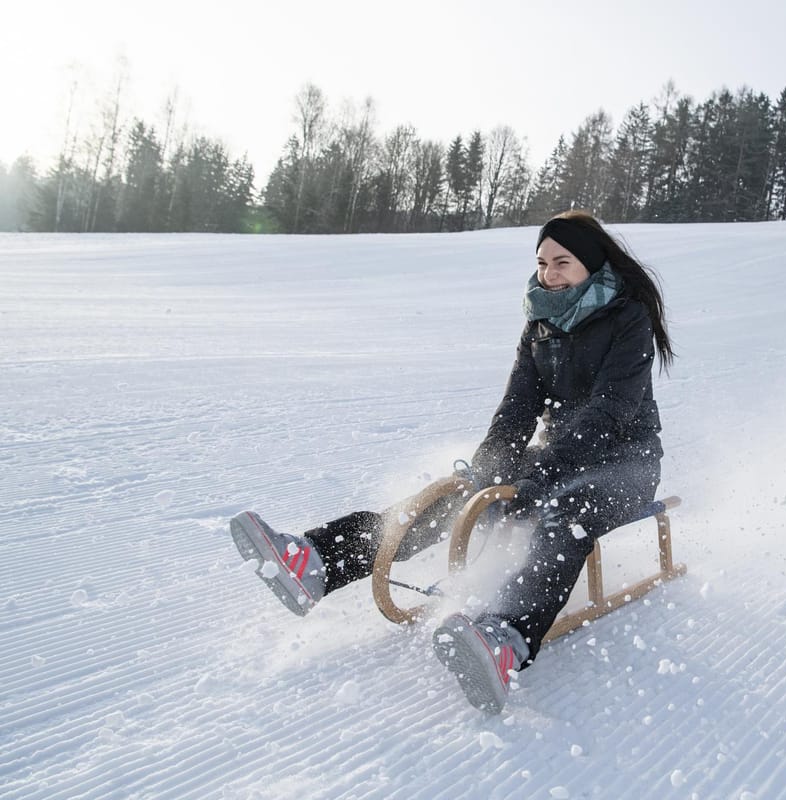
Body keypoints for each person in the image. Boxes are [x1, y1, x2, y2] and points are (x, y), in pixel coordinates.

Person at [228, 210, 674, 714]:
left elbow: (612, 410)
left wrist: (543, 471)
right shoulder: (540, 323)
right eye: (543, 263)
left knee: (561, 514)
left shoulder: (627, 316)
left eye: (562, 263)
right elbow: (516, 411)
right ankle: (316, 561)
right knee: (459, 492)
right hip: (558, 455)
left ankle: (505, 639)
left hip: (624, 460)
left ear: (591, 266)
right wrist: (490, 467)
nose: (549, 274)